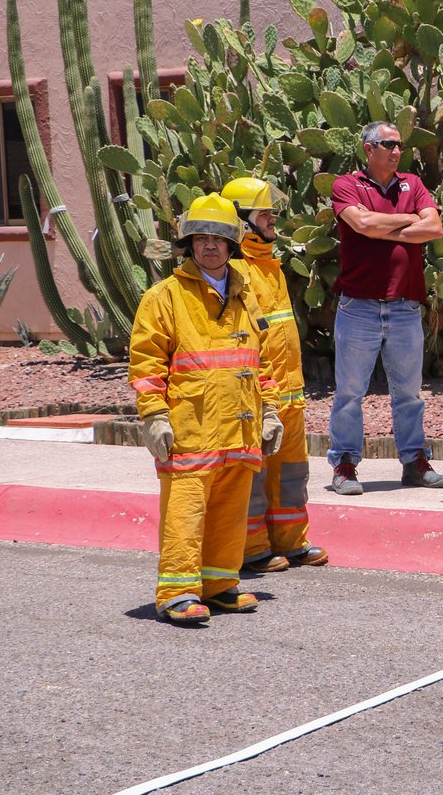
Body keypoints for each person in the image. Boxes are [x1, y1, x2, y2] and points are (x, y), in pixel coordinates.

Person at [128, 194, 284, 624]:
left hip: (239, 428)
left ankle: (218, 584)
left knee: (231, 509)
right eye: (200, 238)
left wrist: (269, 411)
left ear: (232, 244)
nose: (209, 246)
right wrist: (154, 416)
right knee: (186, 509)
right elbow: (146, 363)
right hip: (190, 427)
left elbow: (261, 359)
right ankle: (177, 591)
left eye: (217, 238)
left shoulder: (244, 294)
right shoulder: (165, 297)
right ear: (188, 244)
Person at [327, 121, 443, 494]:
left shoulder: (412, 184)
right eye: (388, 144)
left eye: (400, 145)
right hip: (358, 307)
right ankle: (344, 466)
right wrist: (409, 219)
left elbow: (434, 230)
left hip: (404, 307)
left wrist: (382, 227)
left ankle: (415, 463)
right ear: (369, 149)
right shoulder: (347, 185)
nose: (397, 150)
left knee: (409, 393)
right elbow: (361, 223)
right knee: (349, 392)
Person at [221, 176, 327, 572]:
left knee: (291, 471)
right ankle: (252, 549)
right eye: (264, 213)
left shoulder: (270, 265)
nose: (272, 220)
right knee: (253, 476)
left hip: (289, 392)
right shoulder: (233, 269)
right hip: (256, 395)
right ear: (241, 220)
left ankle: (291, 540)